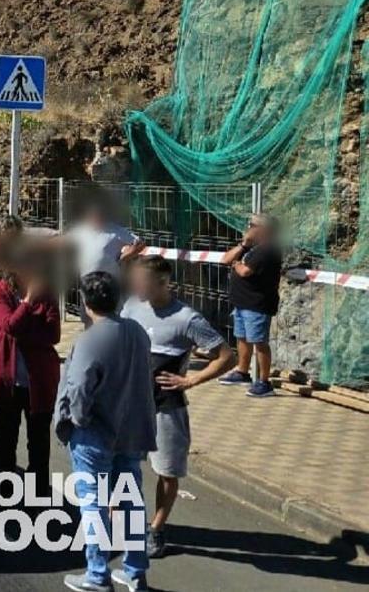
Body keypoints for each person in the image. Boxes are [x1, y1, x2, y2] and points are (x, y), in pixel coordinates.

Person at [122, 255, 234, 558]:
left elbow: (226, 356)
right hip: (131, 406)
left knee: (167, 472)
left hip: (166, 409)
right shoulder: (132, 305)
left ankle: (156, 529)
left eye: (140, 280)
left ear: (162, 283)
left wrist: (192, 380)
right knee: (122, 467)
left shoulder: (187, 318)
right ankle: (120, 522)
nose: (134, 285)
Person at [54, 271, 157, 592]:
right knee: (130, 500)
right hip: (130, 431)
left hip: (95, 435)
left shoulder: (90, 339)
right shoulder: (137, 332)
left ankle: (97, 574)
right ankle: (135, 572)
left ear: (85, 303)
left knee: (93, 505)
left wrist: (78, 421)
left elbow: (79, 387)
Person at [0, 259, 60, 496]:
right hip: (9, 381)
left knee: (39, 447)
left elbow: (52, 334)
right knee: (5, 443)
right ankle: (2, 497)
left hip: (38, 383)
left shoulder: (47, 292)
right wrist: (28, 303)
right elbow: (8, 325)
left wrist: (21, 326)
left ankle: (38, 498)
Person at [217, 213, 283, 397]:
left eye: (251, 225)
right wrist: (243, 245)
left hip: (257, 305)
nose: (247, 227)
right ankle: (242, 371)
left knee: (259, 342)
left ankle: (264, 382)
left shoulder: (268, 250)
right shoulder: (252, 248)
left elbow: (245, 271)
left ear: (263, 230)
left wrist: (237, 265)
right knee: (242, 337)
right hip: (242, 303)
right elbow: (225, 259)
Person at [66, 202, 145, 326]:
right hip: (87, 283)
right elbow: (64, 240)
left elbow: (139, 243)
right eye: (91, 216)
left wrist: (125, 256)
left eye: (98, 215)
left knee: (112, 316)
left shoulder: (115, 230)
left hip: (109, 283)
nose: (94, 218)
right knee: (88, 316)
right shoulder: (80, 231)